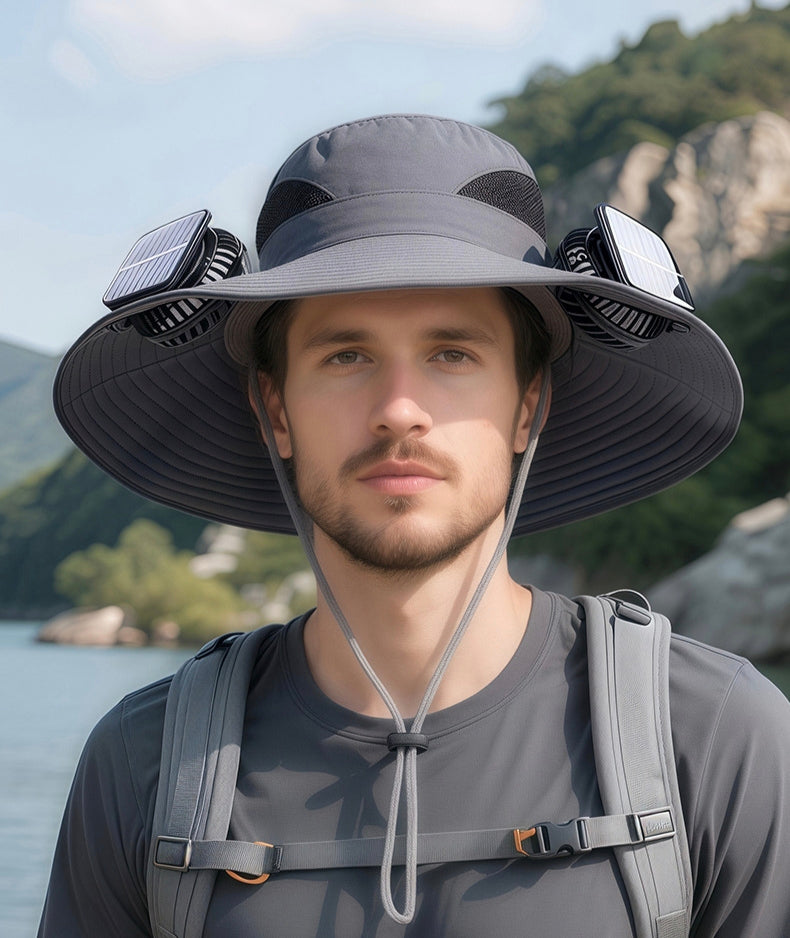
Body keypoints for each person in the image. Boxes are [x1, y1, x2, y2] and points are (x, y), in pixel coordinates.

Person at [40, 114, 790, 937]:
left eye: (451, 354)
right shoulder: (145, 766)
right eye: (346, 356)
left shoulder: (715, 738)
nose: (399, 411)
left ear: (528, 403)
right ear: (275, 409)